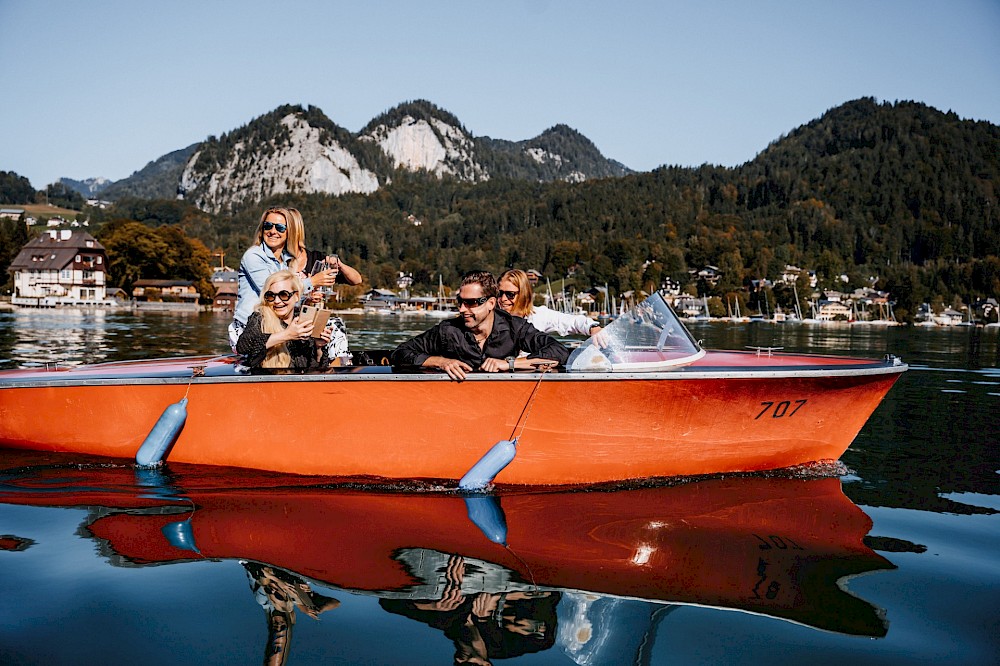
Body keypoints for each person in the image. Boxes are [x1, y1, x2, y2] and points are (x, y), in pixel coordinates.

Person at [391, 270, 569, 381]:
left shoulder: (515, 327)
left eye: (471, 303)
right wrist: (441, 362)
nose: (462, 309)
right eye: (460, 302)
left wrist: (509, 364)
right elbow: (400, 353)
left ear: (491, 303)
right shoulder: (448, 330)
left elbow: (558, 352)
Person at [229, 207, 338, 349]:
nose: (273, 231)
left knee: (331, 328)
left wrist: (306, 298)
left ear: (289, 233)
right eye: (268, 226)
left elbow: (283, 299)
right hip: (250, 331)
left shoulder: (286, 262)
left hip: (274, 326)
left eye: (280, 228)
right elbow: (269, 289)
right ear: (262, 229)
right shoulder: (253, 256)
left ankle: (340, 365)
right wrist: (313, 281)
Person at [235, 270, 332, 369]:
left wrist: (318, 347)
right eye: (271, 296)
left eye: (283, 295)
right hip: (268, 381)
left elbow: (316, 369)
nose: (277, 301)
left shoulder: (302, 321)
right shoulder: (260, 318)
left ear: (297, 296)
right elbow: (243, 347)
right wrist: (287, 334)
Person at [497, 269, 604, 340]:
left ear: (523, 294)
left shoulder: (538, 315)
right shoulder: (490, 316)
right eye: (500, 293)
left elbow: (572, 321)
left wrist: (593, 327)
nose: (503, 299)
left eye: (510, 294)